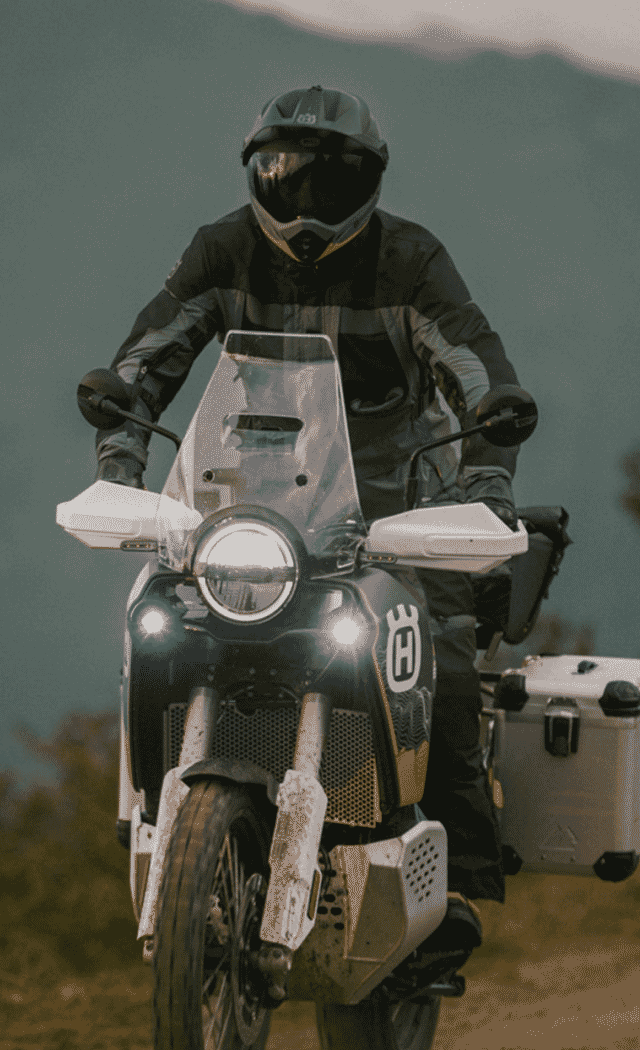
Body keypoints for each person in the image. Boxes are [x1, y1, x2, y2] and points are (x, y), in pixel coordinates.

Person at [92, 85, 531, 960]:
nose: (302, 200)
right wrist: (120, 462)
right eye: (282, 174)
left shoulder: (408, 259)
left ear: (367, 181)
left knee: (431, 652)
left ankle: (453, 887)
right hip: (245, 507)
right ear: (255, 171)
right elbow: (146, 359)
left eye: (327, 180)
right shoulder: (222, 250)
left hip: (393, 504)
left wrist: (484, 473)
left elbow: (475, 368)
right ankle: (153, 816)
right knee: (159, 630)